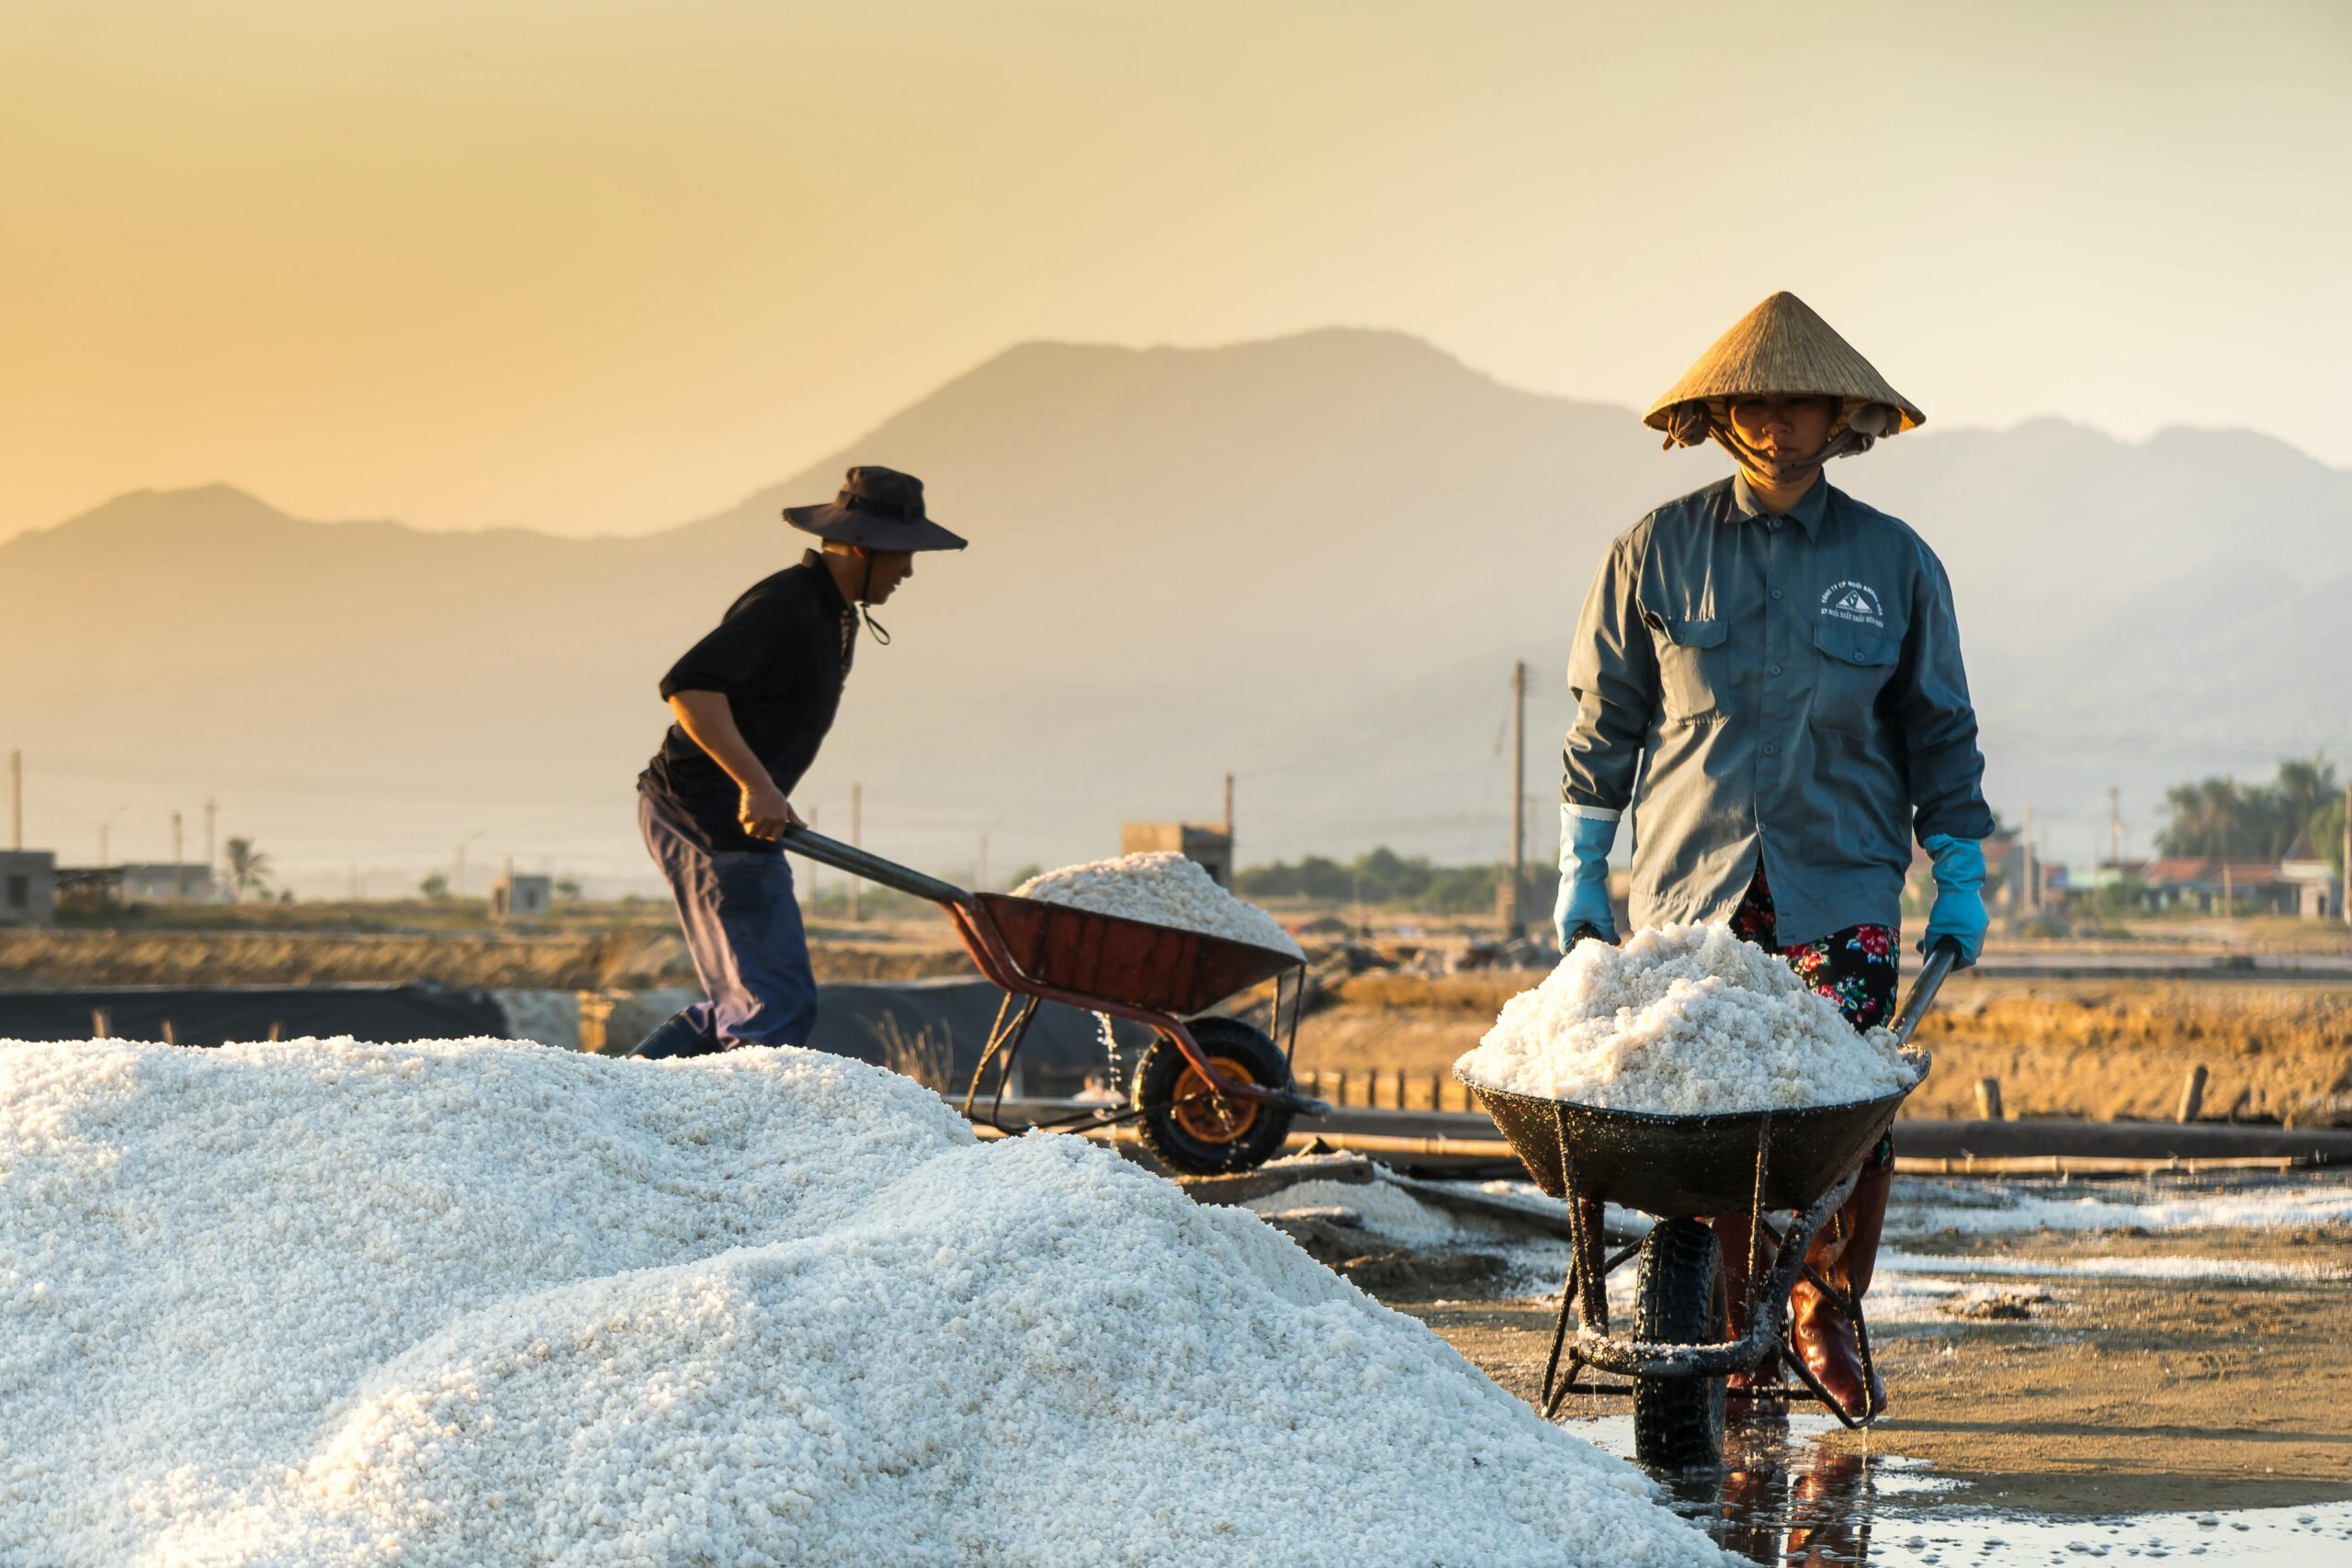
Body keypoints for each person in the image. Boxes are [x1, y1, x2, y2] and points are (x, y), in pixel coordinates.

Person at [1554, 292, 1992, 1418]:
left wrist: (1958, 868)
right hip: (1690, 894)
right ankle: (1738, 1312)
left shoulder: (1892, 563)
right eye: (1750, 402)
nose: (1771, 423)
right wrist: (1580, 867)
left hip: (1838, 883)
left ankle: (1820, 1308)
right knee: (1711, 1116)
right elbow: (1605, 723)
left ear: (1838, 414)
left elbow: (1937, 728)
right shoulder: (1654, 549)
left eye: (1794, 403)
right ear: (1720, 415)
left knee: (1846, 1104)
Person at [628, 466, 967, 1058]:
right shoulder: (787, 604)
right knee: (772, 1009)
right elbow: (690, 688)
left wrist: (767, 794)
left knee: (753, 1003)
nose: (909, 571)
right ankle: (727, 1145)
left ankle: (614, 1102)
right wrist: (757, 787)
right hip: (702, 813)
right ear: (864, 548)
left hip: (731, 815)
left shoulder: (833, 611)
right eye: (904, 556)